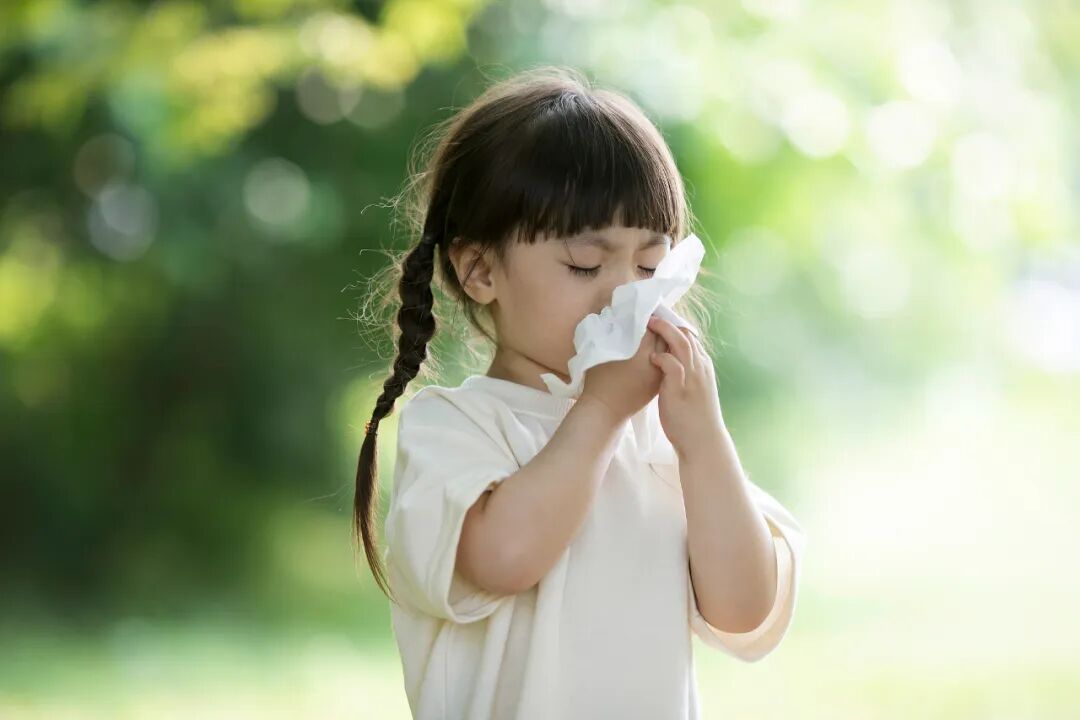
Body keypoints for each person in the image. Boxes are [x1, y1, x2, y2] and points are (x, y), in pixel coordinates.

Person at [352, 65, 806, 720]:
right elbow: (503, 557)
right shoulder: (454, 428)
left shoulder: (660, 438)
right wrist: (597, 410)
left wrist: (704, 441)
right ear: (479, 270)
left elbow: (744, 610)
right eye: (585, 265)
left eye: (650, 266)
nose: (626, 292)